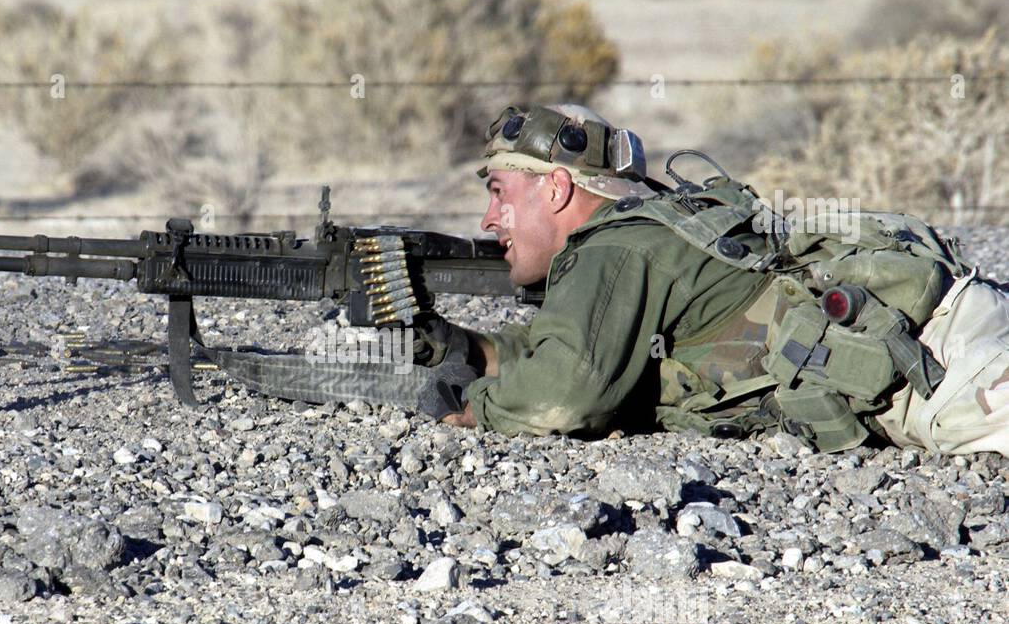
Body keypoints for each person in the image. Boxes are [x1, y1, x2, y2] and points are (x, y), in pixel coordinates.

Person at [424, 102, 1009, 456]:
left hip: (943, 373)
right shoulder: (650, 228)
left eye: (499, 193)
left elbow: (563, 396)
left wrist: (475, 407)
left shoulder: (614, 248)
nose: (488, 219)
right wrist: (471, 349)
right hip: (945, 332)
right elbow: (577, 347)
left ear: (555, 189)